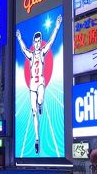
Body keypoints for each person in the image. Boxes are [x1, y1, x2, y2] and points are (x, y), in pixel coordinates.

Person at [15, 14, 62, 154]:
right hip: (32, 85)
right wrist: (19, 38)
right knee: (34, 112)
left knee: (40, 100)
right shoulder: (30, 54)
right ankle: (36, 139)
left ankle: (41, 104)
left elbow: (52, 41)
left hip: (40, 82)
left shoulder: (42, 52)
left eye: (38, 41)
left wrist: (57, 26)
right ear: (33, 42)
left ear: (40, 41)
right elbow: (23, 49)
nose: (36, 43)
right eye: (35, 41)